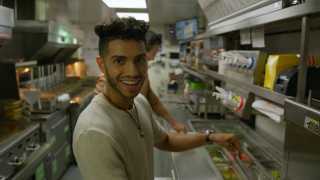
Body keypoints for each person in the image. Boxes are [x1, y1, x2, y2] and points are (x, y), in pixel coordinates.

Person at [73, 18, 240, 180]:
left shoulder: (139, 102)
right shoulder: (94, 132)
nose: (132, 71)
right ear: (101, 65)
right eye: (119, 61)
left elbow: (166, 140)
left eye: (139, 60)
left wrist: (210, 137)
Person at [95, 30, 186, 133]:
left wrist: (174, 123)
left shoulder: (143, 74)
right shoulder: (109, 79)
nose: (132, 72)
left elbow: (153, 101)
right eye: (120, 61)